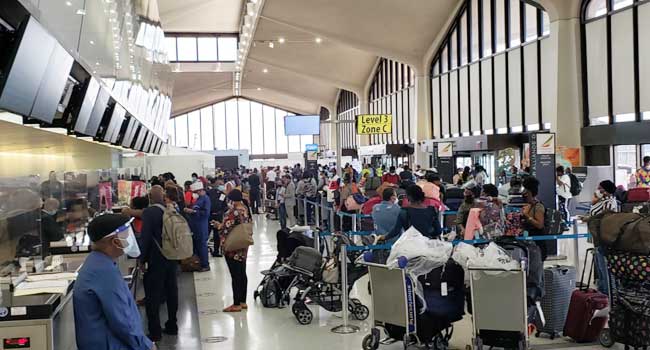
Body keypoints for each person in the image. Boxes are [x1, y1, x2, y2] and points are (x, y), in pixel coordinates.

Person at [74, 214, 155, 350]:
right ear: (114, 241)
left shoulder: (98, 263)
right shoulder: (104, 272)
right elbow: (122, 321)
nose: (130, 237)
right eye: (126, 234)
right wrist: (146, 345)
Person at [139, 186, 179, 342]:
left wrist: (142, 260)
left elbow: (146, 237)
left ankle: (155, 332)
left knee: (153, 295)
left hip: (156, 259)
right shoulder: (171, 210)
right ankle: (172, 325)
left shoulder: (149, 212)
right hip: (172, 257)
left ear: (150, 197)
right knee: (171, 292)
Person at [215, 190, 251, 312]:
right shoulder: (245, 209)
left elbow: (225, 228)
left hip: (233, 247)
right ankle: (242, 301)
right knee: (242, 272)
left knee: (235, 275)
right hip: (243, 244)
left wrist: (218, 225)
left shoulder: (233, 212)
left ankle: (236, 304)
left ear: (231, 200)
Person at [588, 180, 619, 293]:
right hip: (596, 237)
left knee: (603, 266)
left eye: (600, 188)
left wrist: (589, 219)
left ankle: (606, 290)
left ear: (606, 191)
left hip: (603, 237)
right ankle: (602, 288)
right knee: (599, 266)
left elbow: (605, 216)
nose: (598, 189)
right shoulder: (602, 201)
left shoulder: (610, 202)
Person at [185, 182, 211, 272]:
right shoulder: (199, 199)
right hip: (196, 226)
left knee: (202, 245)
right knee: (197, 245)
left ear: (200, 190)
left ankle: (205, 264)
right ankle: (198, 263)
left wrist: (193, 212)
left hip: (201, 225)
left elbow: (206, 213)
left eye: (195, 192)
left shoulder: (205, 199)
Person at [521, 176, 547, 261]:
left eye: (525, 190)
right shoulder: (528, 205)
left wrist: (527, 215)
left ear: (529, 192)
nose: (523, 192)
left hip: (537, 245)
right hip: (529, 244)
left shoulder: (538, 206)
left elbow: (540, 225)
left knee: (537, 270)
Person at [207, 177, 227, 257]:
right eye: (219, 184)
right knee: (207, 233)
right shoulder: (209, 192)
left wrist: (221, 212)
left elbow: (224, 206)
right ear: (215, 184)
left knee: (217, 235)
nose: (221, 186)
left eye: (222, 184)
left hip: (218, 216)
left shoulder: (223, 195)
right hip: (209, 215)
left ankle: (216, 251)